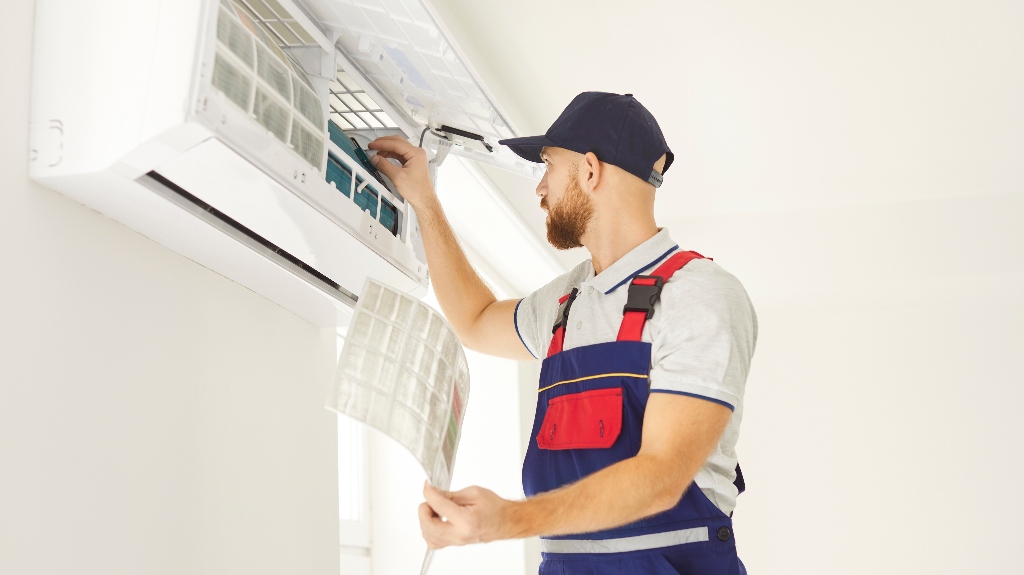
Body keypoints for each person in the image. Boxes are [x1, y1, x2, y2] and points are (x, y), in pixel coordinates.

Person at [368, 91, 756, 575]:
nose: (540, 189)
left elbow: (662, 478)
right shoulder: (568, 302)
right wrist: (425, 202)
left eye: (547, 166)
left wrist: (506, 520)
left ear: (590, 170)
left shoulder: (697, 296)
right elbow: (476, 319)